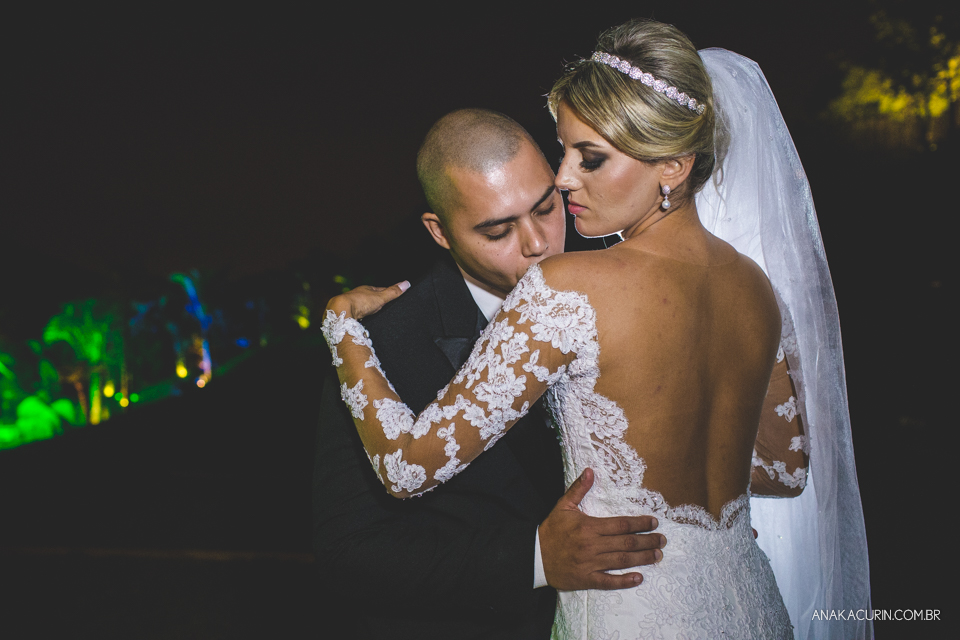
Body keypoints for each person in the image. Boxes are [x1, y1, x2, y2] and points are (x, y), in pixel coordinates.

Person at [321, 20, 870, 640]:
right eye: (564, 151)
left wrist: (344, 332)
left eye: (591, 158)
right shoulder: (754, 288)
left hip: (633, 610)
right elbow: (786, 470)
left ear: (673, 166)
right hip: (752, 607)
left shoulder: (569, 285)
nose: (562, 178)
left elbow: (405, 469)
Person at [312, 108, 665, 640]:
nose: (537, 244)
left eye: (547, 207)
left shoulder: (628, 286)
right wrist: (536, 558)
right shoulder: (380, 343)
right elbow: (350, 551)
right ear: (440, 232)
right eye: (497, 230)